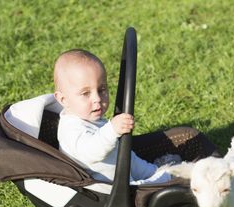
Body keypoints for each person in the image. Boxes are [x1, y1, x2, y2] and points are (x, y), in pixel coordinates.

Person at [53, 49, 177, 184]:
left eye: (102, 90)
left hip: (123, 167)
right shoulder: (70, 129)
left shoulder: (86, 116)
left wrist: (150, 171)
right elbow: (91, 151)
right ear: (63, 100)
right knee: (160, 182)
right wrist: (112, 130)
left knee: (135, 161)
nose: (97, 98)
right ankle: (169, 180)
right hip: (111, 189)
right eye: (85, 93)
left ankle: (158, 172)